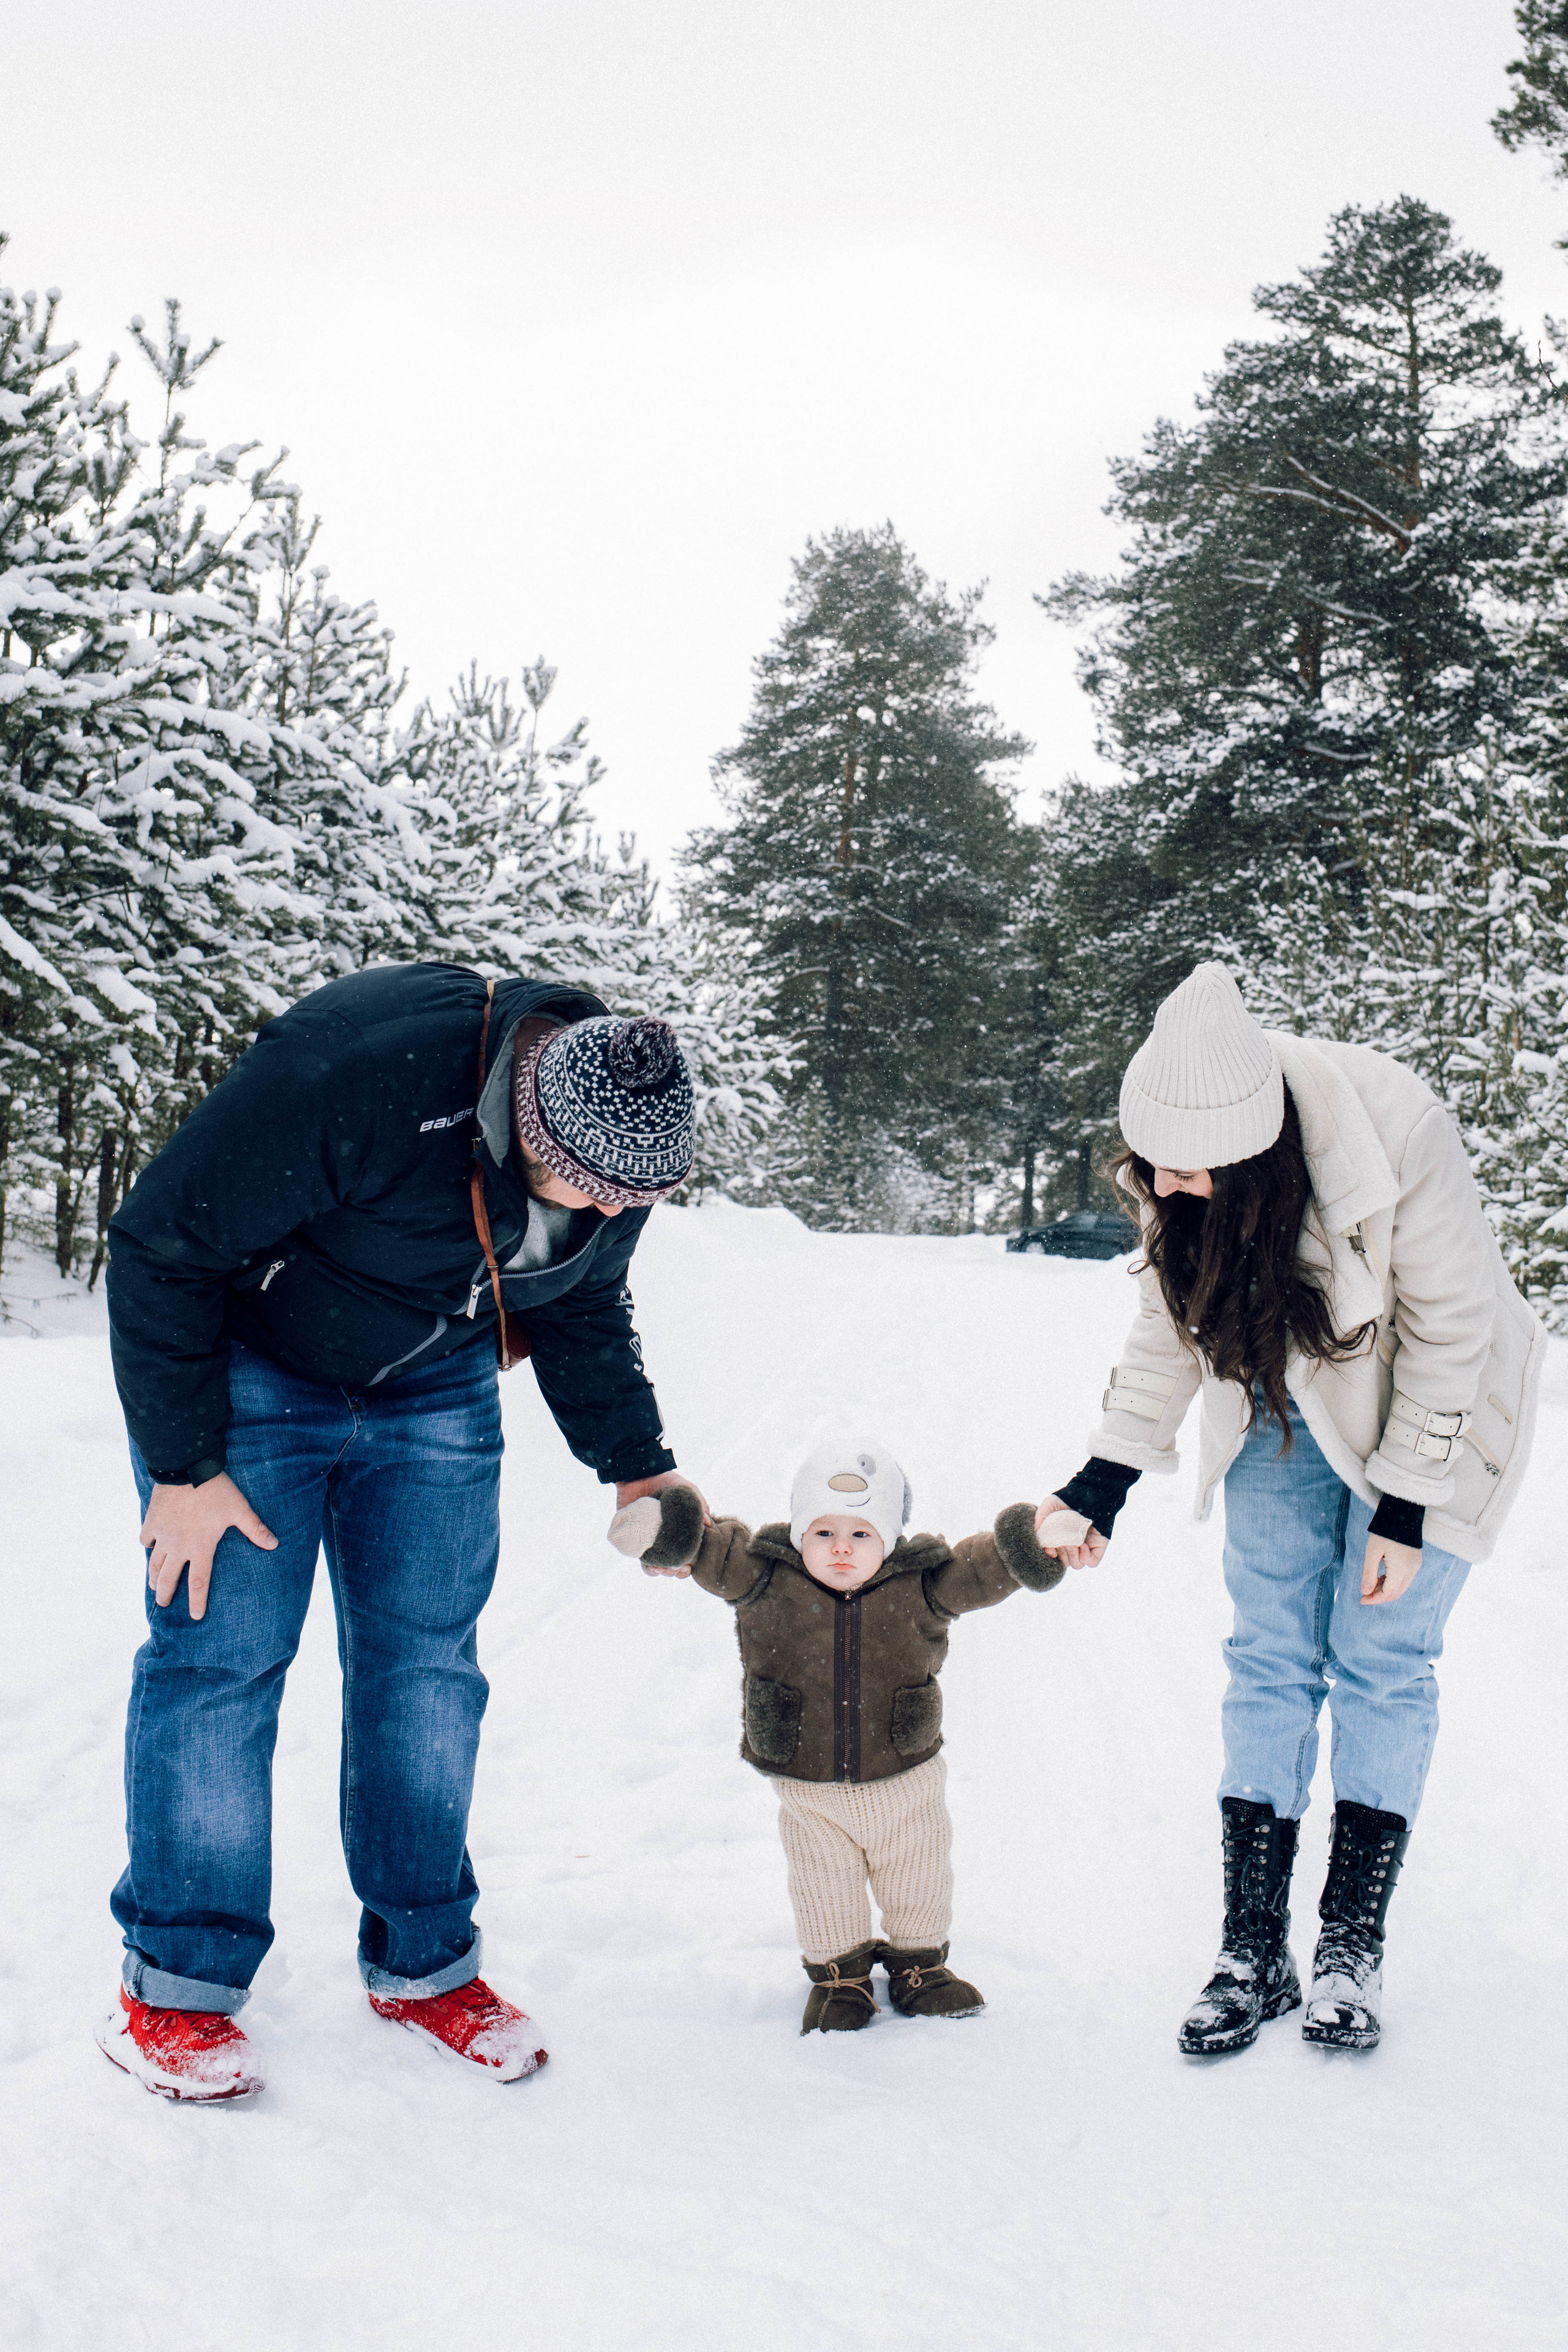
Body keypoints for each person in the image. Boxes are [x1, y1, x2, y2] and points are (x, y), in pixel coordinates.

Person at [97, 960, 701, 2102]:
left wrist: (638, 1466)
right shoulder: (362, 1071)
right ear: (524, 1115)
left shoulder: (615, 1155)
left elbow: (579, 1299)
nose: (613, 1210)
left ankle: (427, 1966)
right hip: (250, 1381)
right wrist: (184, 1469)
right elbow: (160, 1244)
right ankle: (175, 1988)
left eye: (638, 1198)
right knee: (218, 1669)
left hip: (434, 1386)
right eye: (589, 1184)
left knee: (425, 1668)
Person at [1036, 963, 1544, 2057]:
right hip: (1281, 1390)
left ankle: (1351, 1948)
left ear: (1257, 1148)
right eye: (1154, 1167)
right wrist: (1105, 1478)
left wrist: (1404, 1507)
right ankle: (1252, 1949)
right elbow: (1167, 1322)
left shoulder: (1395, 1125)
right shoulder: (1180, 1163)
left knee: (1382, 1654)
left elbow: (1454, 1330)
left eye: (1192, 1171)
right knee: (1270, 1651)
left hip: (1431, 1403)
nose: (1168, 1185)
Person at [611, 1438, 1065, 2033]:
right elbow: (711, 1546)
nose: (842, 1549)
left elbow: (983, 1567)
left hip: (905, 1776)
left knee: (919, 1875)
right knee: (823, 1885)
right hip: (809, 1784)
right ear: (799, 1532)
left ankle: (919, 1968)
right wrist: (665, 1527)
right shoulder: (763, 1574)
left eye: (862, 1535)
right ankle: (841, 1980)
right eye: (824, 1533)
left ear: (890, 1540)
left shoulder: (924, 1583)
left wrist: (1033, 1541)